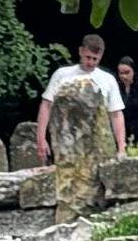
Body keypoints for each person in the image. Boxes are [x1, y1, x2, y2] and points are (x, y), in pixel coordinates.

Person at [35, 32, 127, 212]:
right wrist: (40, 138)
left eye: (95, 59)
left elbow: (116, 114)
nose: (91, 62)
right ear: (80, 52)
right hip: (66, 144)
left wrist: (121, 147)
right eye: (88, 57)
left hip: (97, 144)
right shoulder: (62, 75)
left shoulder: (107, 80)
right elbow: (46, 105)